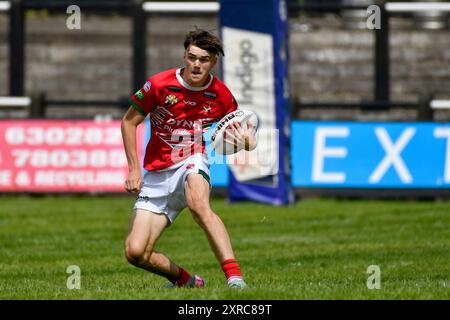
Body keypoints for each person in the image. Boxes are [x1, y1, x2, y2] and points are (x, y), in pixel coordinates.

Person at [121, 28, 257, 289]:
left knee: (199, 205)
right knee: (135, 252)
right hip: (157, 174)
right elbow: (128, 123)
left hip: (191, 161)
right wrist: (134, 170)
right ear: (184, 56)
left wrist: (248, 142)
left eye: (204, 59)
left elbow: (239, 132)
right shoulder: (159, 85)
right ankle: (187, 281)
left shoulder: (221, 95)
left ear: (213, 62)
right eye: (192, 57)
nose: (197, 64)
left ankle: (235, 278)